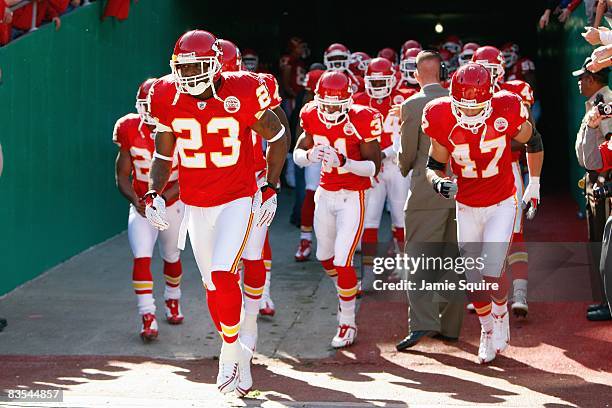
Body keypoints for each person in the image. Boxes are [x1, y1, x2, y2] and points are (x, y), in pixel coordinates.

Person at [145, 30, 287, 396]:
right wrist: (154, 193)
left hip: (237, 200)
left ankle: (229, 350)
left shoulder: (240, 90)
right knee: (212, 285)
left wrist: (271, 185)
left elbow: (278, 133)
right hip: (196, 205)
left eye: (198, 66)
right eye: (184, 68)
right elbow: (163, 155)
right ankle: (238, 349)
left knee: (225, 274)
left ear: (216, 64)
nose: (190, 76)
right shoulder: (164, 95)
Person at [423, 63, 541, 363]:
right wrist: (439, 183)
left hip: (502, 202)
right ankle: (487, 329)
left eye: (478, 106)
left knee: (491, 273)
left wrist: (534, 183)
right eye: (463, 106)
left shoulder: (507, 107)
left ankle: (499, 316)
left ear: (492, 95)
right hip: (466, 205)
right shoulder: (440, 115)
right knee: (471, 277)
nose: (471, 112)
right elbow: (434, 166)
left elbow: (534, 139)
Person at [293, 71, 382, 348]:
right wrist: (309, 156)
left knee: (343, 261)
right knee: (324, 257)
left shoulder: (362, 118)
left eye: (336, 104)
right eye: (326, 104)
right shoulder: (310, 114)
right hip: (325, 194)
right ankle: (347, 289)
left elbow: (373, 167)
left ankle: (347, 322)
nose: (330, 110)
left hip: (352, 196)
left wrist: (345, 161)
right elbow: (296, 153)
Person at [396, 50, 463, 350]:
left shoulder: (413, 104)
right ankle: (450, 326)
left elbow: (407, 155)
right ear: (443, 72)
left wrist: (402, 165)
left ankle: (423, 323)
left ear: (417, 74)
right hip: (462, 189)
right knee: (453, 260)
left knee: (419, 257)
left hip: (427, 190)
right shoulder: (458, 101)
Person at [113, 79, 185, 342]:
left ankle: (173, 299)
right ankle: (147, 315)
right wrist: (136, 200)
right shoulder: (129, 127)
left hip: (171, 202)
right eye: (147, 106)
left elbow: (187, 176)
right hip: (143, 204)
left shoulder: (181, 126)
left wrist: (162, 199)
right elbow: (121, 175)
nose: (151, 112)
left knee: (171, 256)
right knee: (141, 257)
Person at [354, 57, 410, 260]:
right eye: (374, 82)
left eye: (381, 82)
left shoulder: (405, 98)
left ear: (392, 80)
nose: (377, 87)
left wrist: (382, 156)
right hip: (372, 167)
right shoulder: (358, 100)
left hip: (396, 165)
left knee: (400, 216)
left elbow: (410, 136)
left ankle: (404, 265)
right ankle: (368, 272)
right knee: (369, 218)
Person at [573, 56, 612, 320]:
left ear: (592, 78)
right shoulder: (595, 102)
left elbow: (609, 143)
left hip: (604, 181)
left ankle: (608, 304)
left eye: (582, 77)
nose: (578, 82)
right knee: (598, 244)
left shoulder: (605, 103)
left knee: (606, 248)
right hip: (594, 179)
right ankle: (605, 300)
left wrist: (607, 182)